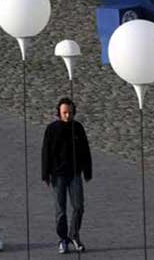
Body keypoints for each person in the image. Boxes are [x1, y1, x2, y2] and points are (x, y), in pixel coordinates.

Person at [41, 97, 92, 255]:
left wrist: (87, 170)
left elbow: (85, 150)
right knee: (60, 210)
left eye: (70, 112)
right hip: (58, 176)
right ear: (59, 113)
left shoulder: (78, 128)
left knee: (79, 206)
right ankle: (63, 239)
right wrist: (45, 173)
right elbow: (46, 152)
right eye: (64, 113)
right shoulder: (52, 129)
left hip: (75, 174)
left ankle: (74, 235)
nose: (68, 115)